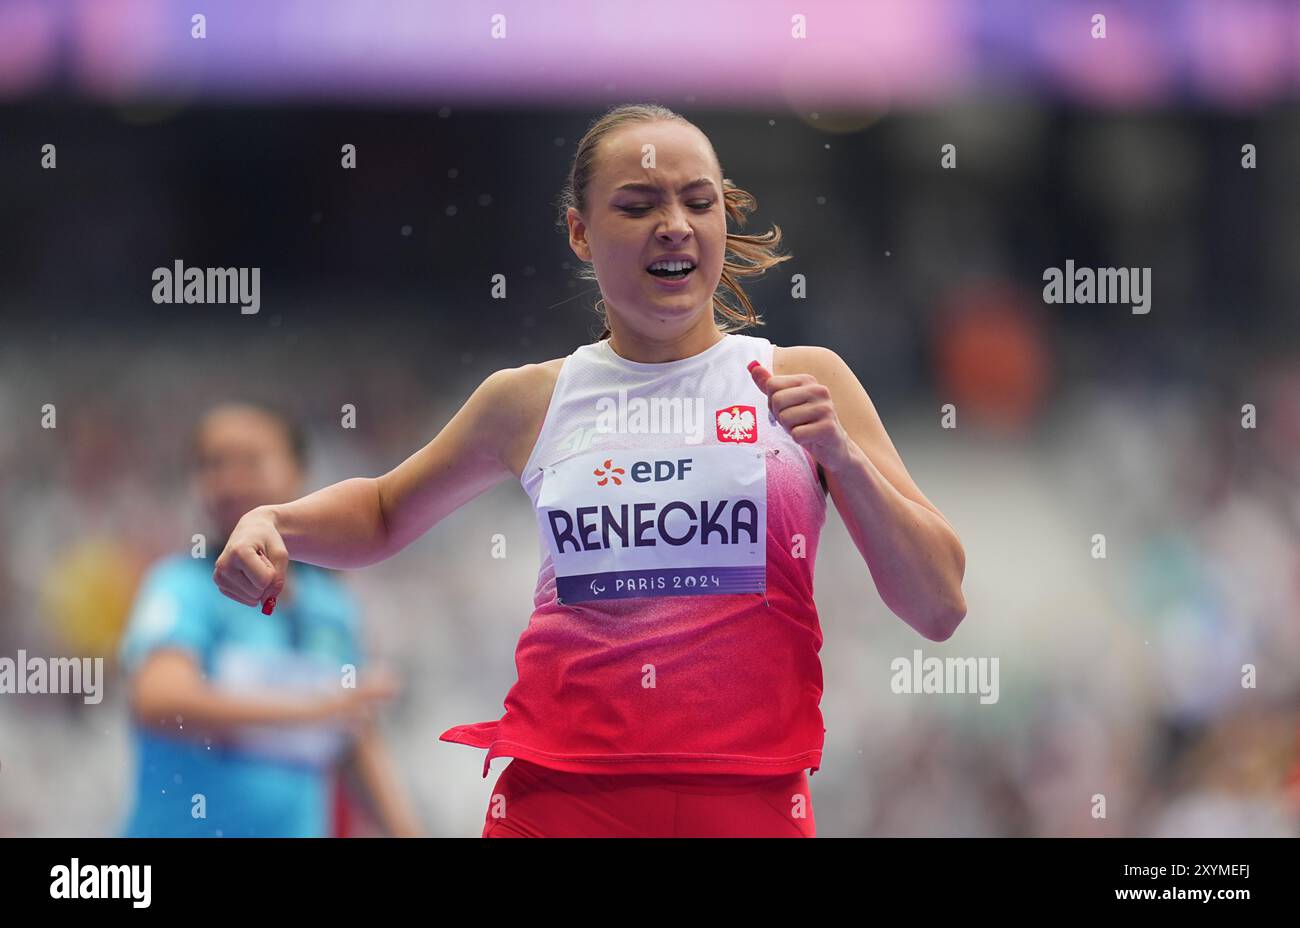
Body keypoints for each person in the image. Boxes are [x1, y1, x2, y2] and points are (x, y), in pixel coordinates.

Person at [213, 103, 967, 837]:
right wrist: (271, 520)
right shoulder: (530, 399)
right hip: (558, 802)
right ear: (580, 231)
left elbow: (939, 606)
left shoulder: (804, 379)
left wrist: (847, 461)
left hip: (750, 801)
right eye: (638, 205)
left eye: (698, 201)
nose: (674, 223)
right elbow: (382, 512)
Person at [121, 402, 421, 837]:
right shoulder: (181, 586)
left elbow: (354, 739)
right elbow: (160, 700)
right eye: (213, 464)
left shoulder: (332, 605)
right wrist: (314, 709)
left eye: (250, 461)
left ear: (299, 473)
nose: (229, 481)